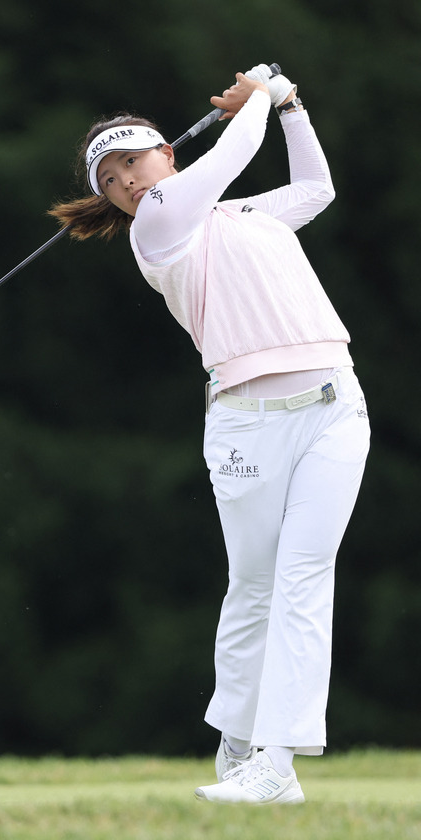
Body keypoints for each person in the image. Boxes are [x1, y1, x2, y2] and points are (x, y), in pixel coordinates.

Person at [49, 64, 370, 805]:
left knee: (300, 583)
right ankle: (236, 736)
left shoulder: (247, 217)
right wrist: (261, 95)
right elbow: (229, 154)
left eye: (134, 159)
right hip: (245, 427)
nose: (127, 178)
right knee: (255, 586)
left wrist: (289, 107)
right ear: (110, 197)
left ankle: (274, 763)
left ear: (166, 153)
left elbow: (316, 189)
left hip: (333, 408)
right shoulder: (159, 226)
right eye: (110, 174)